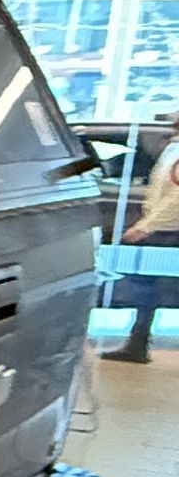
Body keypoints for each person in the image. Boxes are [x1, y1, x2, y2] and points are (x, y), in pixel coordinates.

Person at [103, 112, 179, 364]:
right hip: (163, 228)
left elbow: (175, 200)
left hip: (167, 231)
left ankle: (137, 344)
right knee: (149, 290)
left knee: (149, 289)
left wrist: (146, 226)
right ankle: (137, 343)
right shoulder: (172, 150)